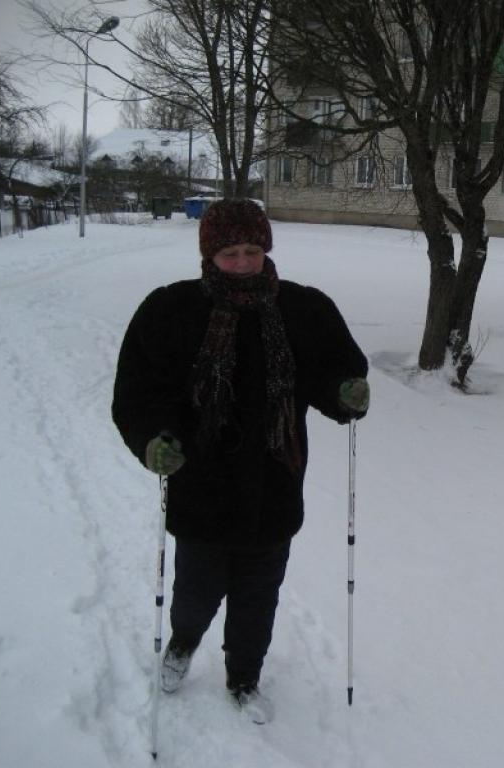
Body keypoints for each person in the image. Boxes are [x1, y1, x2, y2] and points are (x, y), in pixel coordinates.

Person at [112, 198, 369, 724]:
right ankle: (182, 645)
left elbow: (331, 371)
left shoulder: (303, 309)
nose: (244, 262)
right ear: (210, 255)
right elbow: (141, 390)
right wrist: (153, 439)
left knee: (258, 597)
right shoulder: (172, 310)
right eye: (230, 253)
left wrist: (345, 391)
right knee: (197, 591)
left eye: (253, 250)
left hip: (273, 487)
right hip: (202, 486)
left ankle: (244, 675)